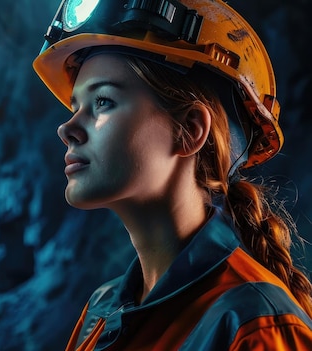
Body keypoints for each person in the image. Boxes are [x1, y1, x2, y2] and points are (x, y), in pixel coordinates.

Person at [32, 0, 312, 350]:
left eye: (103, 101)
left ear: (190, 130)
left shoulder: (257, 327)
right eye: (76, 106)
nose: (67, 128)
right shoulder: (101, 312)